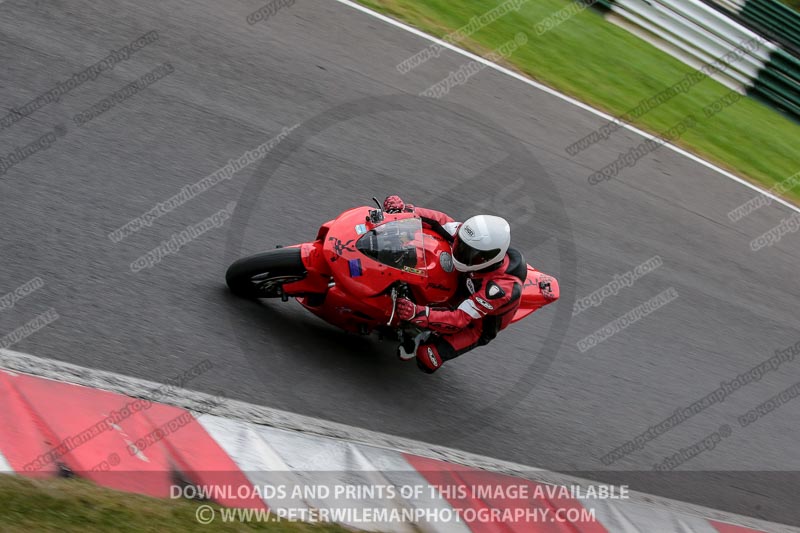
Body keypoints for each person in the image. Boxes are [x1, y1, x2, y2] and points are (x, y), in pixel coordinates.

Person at [382, 195, 527, 374]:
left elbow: (460, 318)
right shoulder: (470, 240)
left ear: (489, 258)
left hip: (476, 324)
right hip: (463, 284)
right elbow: (440, 222)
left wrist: (417, 313)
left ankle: (419, 334)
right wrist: (405, 211)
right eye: (461, 245)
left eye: (469, 253)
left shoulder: (499, 289)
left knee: (428, 357)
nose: (460, 252)